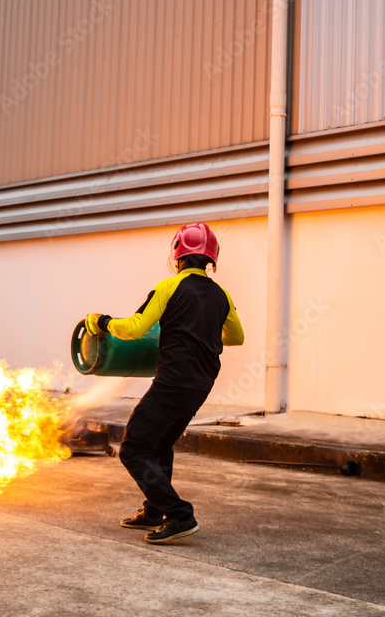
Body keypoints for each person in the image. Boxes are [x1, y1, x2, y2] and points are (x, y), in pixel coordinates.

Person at [85, 222, 244, 544]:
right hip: (201, 383)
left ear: (177, 255)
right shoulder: (221, 294)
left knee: (132, 448)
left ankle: (180, 514)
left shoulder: (169, 287)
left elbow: (133, 328)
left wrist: (100, 321)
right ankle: (154, 511)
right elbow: (236, 337)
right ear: (211, 258)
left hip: (173, 381)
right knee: (159, 445)